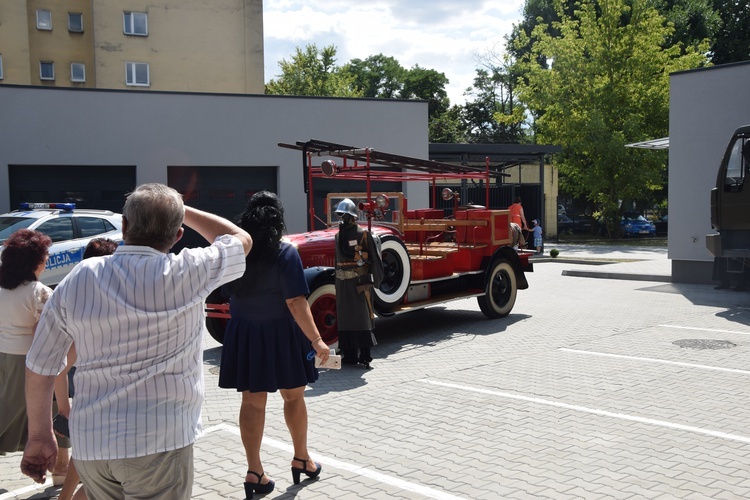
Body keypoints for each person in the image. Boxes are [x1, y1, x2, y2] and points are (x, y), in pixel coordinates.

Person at [21, 183, 252, 500]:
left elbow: (40, 365)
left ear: (124, 226)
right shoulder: (188, 271)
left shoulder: (82, 275)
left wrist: (40, 435)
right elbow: (241, 240)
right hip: (159, 443)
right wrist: (182, 212)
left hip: (93, 445)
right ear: (178, 234)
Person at [218, 191, 329, 499]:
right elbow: (295, 301)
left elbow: (226, 293)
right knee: (294, 399)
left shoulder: (236, 252)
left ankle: (255, 471)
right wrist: (317, 339)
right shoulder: (286, 252)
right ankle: (302, 458)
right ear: (278, 219)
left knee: (252, 403)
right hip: (282, 334)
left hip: (245, 334)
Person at [0, 229, 71, 485]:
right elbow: (48, 345)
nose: (47, 261)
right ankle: (60, 469)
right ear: (35, 261)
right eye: (45, 257)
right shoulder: (40, 293)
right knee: (52, 412)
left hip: (3, 358)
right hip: (30, 365)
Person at [57, 237, 120, 500]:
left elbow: (59, 366)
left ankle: (64, 497)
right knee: (104, 483)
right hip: (107, 406)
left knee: (87, 464)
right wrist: (64, 408)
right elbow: (60, 365)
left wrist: (65, 408)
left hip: (91, 404)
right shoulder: (100, 304)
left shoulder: (76, 298)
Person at [333, 198, 384, 369]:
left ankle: (365, 356)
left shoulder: (363, 235)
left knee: (361, 319)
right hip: (343, 283)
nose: (343, 219)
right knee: (346, 319)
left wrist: (376, 280)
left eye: (345, 216)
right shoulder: (338, 236)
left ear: (352, 217)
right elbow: (337, 261)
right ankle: (349, 356)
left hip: (358, 282)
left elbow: (375, 259)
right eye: (340, 216)